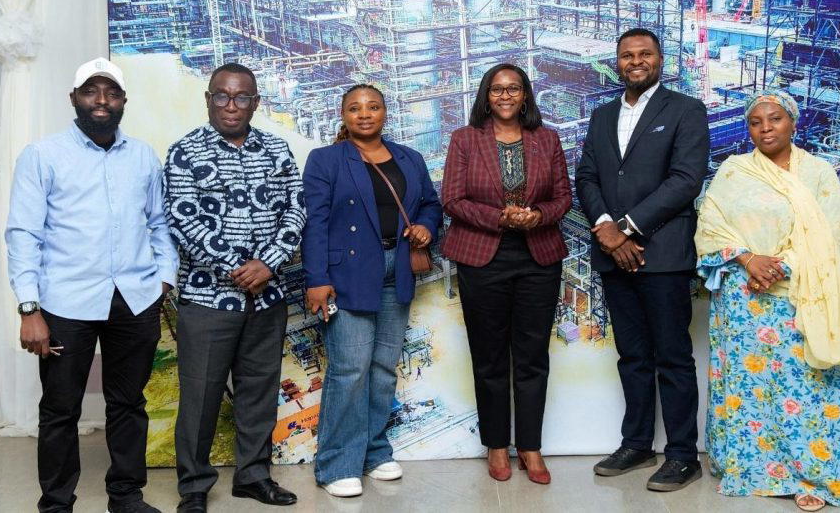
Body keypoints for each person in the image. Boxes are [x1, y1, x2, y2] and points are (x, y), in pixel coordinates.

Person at [6, 57, 179, 513]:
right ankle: (56, 504)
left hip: (135, 300)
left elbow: (159, 223)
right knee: (60, 409)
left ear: (123, 100)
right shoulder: (42, 155)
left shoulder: (142, 155)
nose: (101, 100)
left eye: (111, 92)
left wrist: (164, 279)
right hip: (65, 302)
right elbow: (23, 234)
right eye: (90, 91)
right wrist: (29, 308)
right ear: (74, 98)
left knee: (129, 403)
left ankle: (126, 496)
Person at [694, 90, 840, 512]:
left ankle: (814, 477)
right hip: (742, 301)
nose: (765, 128)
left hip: (803, 296)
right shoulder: (734, 171)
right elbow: (711, 224)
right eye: (756, 122)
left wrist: (776, 267)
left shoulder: (819, 174)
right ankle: (751, 470)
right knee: (748, 389)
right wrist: (748, 259)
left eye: (774, 119)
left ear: (793, 122)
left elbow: (829, 234)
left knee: (807, 387)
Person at [164, 63, 305, 512]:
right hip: (208, 298)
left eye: (241, 97)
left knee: (259, 390)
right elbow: (181, 217)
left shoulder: (276, 149)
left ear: (255, 102)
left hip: (267, 297)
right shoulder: (185, 152)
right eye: (222, 96)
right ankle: (193, 486)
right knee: (201, 395)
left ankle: (253, 476)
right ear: (208, 99)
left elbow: (296, 209)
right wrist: (237, 266)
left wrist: (269, 262)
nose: (231, 105)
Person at [575, 28, 710, 492]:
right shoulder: (602, 115)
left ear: (660, 59)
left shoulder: (686, 110)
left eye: (644, 54)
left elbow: (685, 180)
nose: (635, 61)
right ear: (617, 62)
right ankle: (636, 444)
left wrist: (628, 228)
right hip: (613, 254)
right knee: (632, 355)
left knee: (672, 357)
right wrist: (607, 229)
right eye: (627, 55)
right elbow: (587, 176)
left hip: (663, 255)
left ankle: (682, 455)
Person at [302, 84, 443, 498]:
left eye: (373, 106)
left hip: (397, 268)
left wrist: (426, 227)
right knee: (350, 369)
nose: (364, 114)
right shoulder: (326, 159)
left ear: (385, 112)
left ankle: (374, 451)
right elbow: (314, 222)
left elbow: (430, 204)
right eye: (355, 108)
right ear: (343, 115)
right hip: (347, 273)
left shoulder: (409, 158)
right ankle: (337, 464)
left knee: (383, 367)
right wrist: (316, 278)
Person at [441, 63, 572, 485]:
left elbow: (563, 197)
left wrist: (537, 216)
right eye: (497, 89)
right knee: (490, 357)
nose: (505, 96)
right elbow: (453, 199)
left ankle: (530, 447)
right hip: (483, 258)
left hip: (538, 257)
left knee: (532, 357)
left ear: (525, 95)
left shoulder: (547, 139)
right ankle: (496, 444)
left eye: (513, 88)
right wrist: (501, 217)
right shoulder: (464, 139)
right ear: (486, 96)